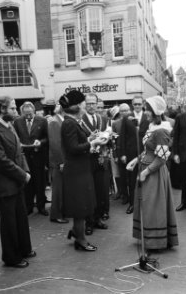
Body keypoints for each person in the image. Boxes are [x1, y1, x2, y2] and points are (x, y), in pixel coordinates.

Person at [0, 96, 35, 268]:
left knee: (21, 218)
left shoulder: (8, 124)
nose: (15, 110)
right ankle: (11, 257)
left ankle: (24, 249)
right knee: (9, 223)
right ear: (2, 109)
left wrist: (26, 170)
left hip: (16, 181)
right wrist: (22, 175)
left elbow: (19, 152)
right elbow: (1, 160)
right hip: (4, 185)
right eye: (12, 108)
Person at [127, 96, 178, 250]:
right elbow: (148, 150)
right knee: (146, 205)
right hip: (146, 168)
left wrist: (146, 172)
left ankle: (156, 241)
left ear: (156, 111)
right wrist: (136, 160)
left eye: (147, 109)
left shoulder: (162, 129)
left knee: (153, 206)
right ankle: (149, 237)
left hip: (154, 173)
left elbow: (162, 158)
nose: (145, 112)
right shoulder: (152, 126)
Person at [60, 90, 105, 251]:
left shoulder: (72, 121)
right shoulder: (69, 123)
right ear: (77, 105)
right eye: (83, 103)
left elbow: (77, 143)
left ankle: (76, 232)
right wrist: (93, 143)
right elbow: (73, 148)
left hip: (80, 169)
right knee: (80, 207)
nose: (85, 105)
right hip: (76, 171)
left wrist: (90, 139)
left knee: (83, 205)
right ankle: (80, 240)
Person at [82, 93, 111, 235]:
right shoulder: (79, 120)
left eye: (93, 103)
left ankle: (98, 218)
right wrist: (90, 139)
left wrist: (109, 138)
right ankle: (89, 222)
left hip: (101, 160)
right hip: (86, 161)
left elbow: (108, 139)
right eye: (88, 103)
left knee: (101, 191)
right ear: (84, 104)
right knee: (88, 192)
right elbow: (79, 141)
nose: (91, 106)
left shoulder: (103, 119)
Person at [14, 101, 49, 216]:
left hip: (38, 156)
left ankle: (41, 206)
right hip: (24, 157)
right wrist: (19, 144)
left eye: (30, 113)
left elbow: (47, 138)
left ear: (33, 111)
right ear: (22, 112)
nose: (28, 115)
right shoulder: (17, 121)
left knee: (40, 182)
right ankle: (28, 206)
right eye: (26, 113)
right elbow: (15, 137)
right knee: (27, 183)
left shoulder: (42, 121)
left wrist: (41, 142)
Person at [120, 95, 149, 214]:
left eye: (139, 104)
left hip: (146, 152)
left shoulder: (148, 116)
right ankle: (132, 204)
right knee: (132, 181)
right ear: (132, 105)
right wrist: (122, 154)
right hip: (131, 153)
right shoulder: (127, 118)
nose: (137, 106)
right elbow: (122, 136)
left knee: (146, 178)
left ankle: (146, 204)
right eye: (135, 104)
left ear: (143, 104)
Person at [48, 102, 69, 224]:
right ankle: (56, 214)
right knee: (58, 189)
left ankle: (61, 212)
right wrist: (61, 161)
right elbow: (55, 144)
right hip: (58, 162)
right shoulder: (55, 122)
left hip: (61, 160)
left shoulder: (59, 121)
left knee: (62, 188)